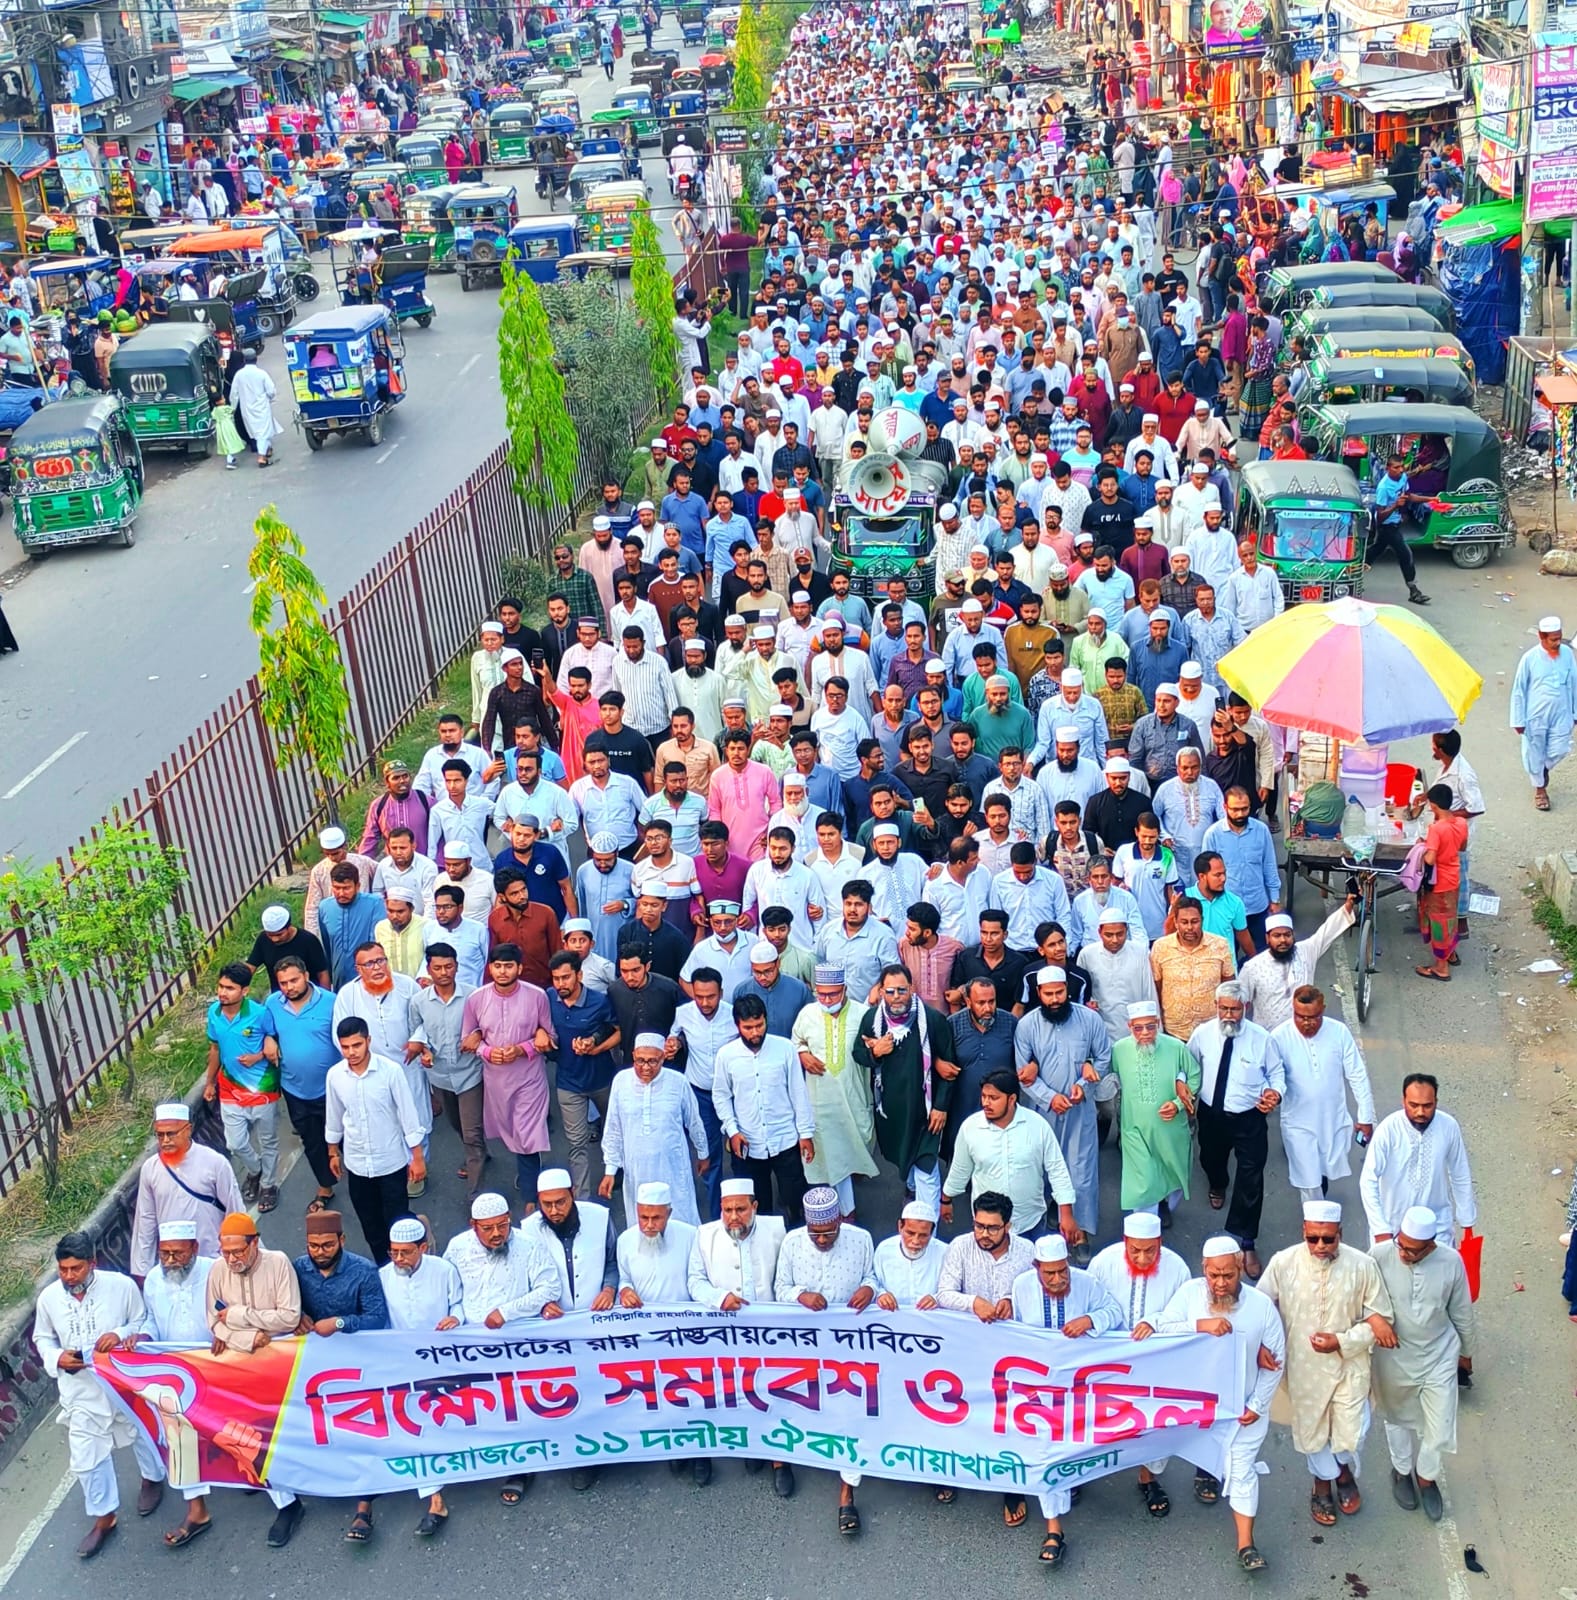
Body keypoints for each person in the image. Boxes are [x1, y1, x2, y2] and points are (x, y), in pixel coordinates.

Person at [1258, 1201, 1396, 1527]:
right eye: (1313, 1239)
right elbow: (1260, 1307)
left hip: (1350, 1365)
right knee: (1312, 1432)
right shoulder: (1283, 1263)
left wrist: (1343, 1342)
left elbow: (1381, 1318)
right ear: (1304, 1233)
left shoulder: (1362, 1266)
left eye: (1328, 1239)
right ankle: (1323, 1484)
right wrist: (1262, 1345)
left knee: (1353, 1429)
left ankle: (1343, 1471)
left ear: (1340, 1234)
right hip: (1303, 1368)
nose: (1320, 1246)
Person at [1155, 1237, 1287, 1572]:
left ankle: (1247, 1545)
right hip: (1195, 1410)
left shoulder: (1261, 1307)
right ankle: (1152, 1482)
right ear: (1204, 1270)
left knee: (1241, 1472)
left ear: (1241, 1267)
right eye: (1214, 1275)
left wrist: (1256, 1406)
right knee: (1158, 1449)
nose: (1220, 1283)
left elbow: (1277, 1361)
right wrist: (1200, 1326)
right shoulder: (1189, 1295)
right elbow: (1162, 1329)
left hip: (1242, 1411)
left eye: (1228, 1275)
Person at [35, 1232, 165, 1560]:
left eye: (76, 1268)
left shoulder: (120, 1286)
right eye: (63, 1269)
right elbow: (42, 1337)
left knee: (141, 1434)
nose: (68, 1276)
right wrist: (57, 1358)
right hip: (80, 1390)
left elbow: (141, 1319)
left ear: (92, 1263)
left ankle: (152, 1479)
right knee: (85, 1458)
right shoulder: (49, 1298)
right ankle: (104, 1517)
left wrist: (119, 1334)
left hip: (121, 1381)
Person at [1009, 1233, 1123, 1568]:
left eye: (1063, 1272)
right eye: (1050, 1274)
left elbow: (1113, 1312)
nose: (1058, 1280)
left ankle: (1071, 1480)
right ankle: (1054, 1531)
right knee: (1047, 1449)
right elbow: (1014, 1332)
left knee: (1074, 1444)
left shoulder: (1087, 1283)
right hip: (1037, 1388)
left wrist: (1090, 1321)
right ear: (1036, 1268)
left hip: (1079, 1384)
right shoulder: (1021, 1287)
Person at [773, 1185, 879, 1526]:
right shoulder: (791, 1243)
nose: (821, 1240)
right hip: (803, 1345)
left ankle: (847, 1493)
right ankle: (783, 1459)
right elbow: (780, 1289)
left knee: (850, 1410)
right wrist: (801, 1295)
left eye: (828, 1233)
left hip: (849, 1347)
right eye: (815, 1234)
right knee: (796, 1404)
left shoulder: (860, 1239)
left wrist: (869, 1289)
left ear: (838, 1221)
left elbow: (873, 1276)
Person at [1370, 1207, 1476, 1521]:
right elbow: (1359, 1297)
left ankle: (1426, 1477)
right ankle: (1401, 1471)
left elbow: (1461, 1310)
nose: (1402, 1253)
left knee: (1441, 1425)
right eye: (1399, 1244)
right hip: (1393, 1355)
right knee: (1396, 1416)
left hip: (1438, 1354)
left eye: (1412, 1250)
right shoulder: (1378, 1255)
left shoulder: (1451, 1261)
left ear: (1430, 1246)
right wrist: (1375, 1320)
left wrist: (1467, 1352)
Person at [205, 1211, 305, 1544]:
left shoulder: (277, 1263)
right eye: (226, 1252)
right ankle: (286, 1501)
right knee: (250, 1429)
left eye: (238, 1252)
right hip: (240, 1360)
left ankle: (291, 1489)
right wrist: (247, 1337)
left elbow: (289, 1317)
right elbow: (213, 1322)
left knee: (281, 1428)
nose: (232, 1259)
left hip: (280, 1360)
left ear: (255, 1243)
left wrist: (238, 1316)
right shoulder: (218, 1270)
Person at [127, 1220, 215, 1546]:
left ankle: (271, 1494)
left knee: (237, 1429)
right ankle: (197, 1511)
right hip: (176, 1373)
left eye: (177, 1252)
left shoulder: (215, 1270)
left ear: (194, 1247)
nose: (170, 1260)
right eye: (164, 1253)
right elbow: (150, 1317)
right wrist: (146, 1335)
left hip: (218, 1367)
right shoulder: (153, 1279)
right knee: (180, 1438)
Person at [1187, 983, 1284, 1277]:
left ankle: (1246, 1240)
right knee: (1211, 1159)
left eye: (1235, 1009)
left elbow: (1276, 1073)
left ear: (1246, 1008)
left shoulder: (1262, 1039)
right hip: (1211, 1113)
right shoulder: (1202, 1034)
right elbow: (1188, 1066)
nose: (1229, 1015)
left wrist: (1274, 1093)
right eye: (1224, 1008)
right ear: (1216, 1006)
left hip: (1249, 1117)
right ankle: (1217, 1182)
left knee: (1251, 1178)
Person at [1014, 964, 1111, 1251]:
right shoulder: (1027, 1025)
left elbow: (1103, 1058)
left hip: (1080, 1111)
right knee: (1039, 1172)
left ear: (1067, 991)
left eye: (1059, 992)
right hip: (1040, 1113)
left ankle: (1079, 1233)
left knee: (1080, 1173)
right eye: (1049, 994)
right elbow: (1023, 1071)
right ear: (1039, 993)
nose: (1055, 999)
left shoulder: (1089, 1020)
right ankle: (1041, 1235)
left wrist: (1084, 1086)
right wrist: (1049, 1097)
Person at [379, 1215, 464, 1536]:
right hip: (405, 1367)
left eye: (406, 1252)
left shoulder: (443, 1270)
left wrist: (455, 1319)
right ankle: (434, 1499)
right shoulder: (384, 1276)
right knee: (413, 1428)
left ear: (423, 1248)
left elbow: (459, 1305)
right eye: (394, 1252)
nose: (398, 1259)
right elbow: (383, 1323)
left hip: (447, 1361)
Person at [324, 1017, 426, 1266]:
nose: (351, 1052)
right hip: (357, 1164)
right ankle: (386, 1268)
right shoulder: (335, 1076)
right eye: (345, 1047)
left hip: (391, 1161)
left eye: (357, 1045)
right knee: (370, 1225)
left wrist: (418, 1157)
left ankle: (413, 1258)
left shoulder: (390, 1071)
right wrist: (333, 1152)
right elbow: (334, 1115)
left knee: (397, 1222)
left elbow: (408, 1115)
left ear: (368, 1041)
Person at [853, 964, 955, 1210]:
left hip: (926, 1111)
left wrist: (941, 1106)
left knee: (926, 1167)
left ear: (912, 988)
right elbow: (858, 1053)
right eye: (890, 991)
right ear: (880, 991)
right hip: (892, 1111)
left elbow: (950, 1068)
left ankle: (928, 1224)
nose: (896, 997)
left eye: (902, 990)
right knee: (903, 1158)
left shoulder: (932, 1020)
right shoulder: (872, 1020)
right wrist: (875, 1051)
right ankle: (910, 1188)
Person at [942, 1066, 1079, 1243]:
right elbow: (960, 1170)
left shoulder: (1037, 1125)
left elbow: (1057, 1170)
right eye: (984, 1097)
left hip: (1031, 1224)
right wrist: (946, 1200)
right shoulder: (970, 1128)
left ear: (1012, 1099)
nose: (986, 1103)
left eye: (993, 1098)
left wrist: (1066, 1215)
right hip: (988, 1227)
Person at [462, 945, 555, 1200]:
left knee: (527, 1135)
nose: (503, 971)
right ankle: (531, 1173)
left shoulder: (537, 996)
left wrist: (522, 1049)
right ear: (490, 968)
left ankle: (530, 1198)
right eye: (498, 966)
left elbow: (550, 1036)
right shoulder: (476, 999)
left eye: (509, 966)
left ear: (520, 968)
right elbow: (467, 1039)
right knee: (513, 1134)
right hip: (496, 1080)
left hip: (529, 1078)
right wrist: (489, 1052)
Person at [714, 994, 815, 1223]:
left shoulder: (785, 1048)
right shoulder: (726, 1055)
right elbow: (721, 1096)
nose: (755, 1032)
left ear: (766, 1020)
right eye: (748, 1027)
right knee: (758, 1209)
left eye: (759, 1025)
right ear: (737, 1025)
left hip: (785, 1140)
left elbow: (798, 1092)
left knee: (796, 1201)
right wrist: (733, 1131)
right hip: (747, 1144)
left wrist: (806, 1134)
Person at [1270, 986, 1376, 1203]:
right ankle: (1316, 1224)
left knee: (1323, 1172)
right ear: (1293, 1010)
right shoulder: (1278, 1037)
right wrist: (1272, 1094)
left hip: (1333, 1120)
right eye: (1300, 1017)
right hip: (1297, 1124)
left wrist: (1365, 1117)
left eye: (1313, 1017)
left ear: (1323, 1010)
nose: (1307, 1023)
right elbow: (1273, 1076)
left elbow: (1357, 1075)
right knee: (1309, 1182)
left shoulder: (1339, 1032)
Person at [791, 965, 879, 1218]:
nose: (827, 1000)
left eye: (833, 994)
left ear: (845, 990)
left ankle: (834, 1211)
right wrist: (803, 1054)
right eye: (822, 994)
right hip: (819, 1100)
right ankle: (841, 1212)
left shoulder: (864, 1015)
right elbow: (795, 1042)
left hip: (853, 1099)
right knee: (828, 1155)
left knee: (848, 1150)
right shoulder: (807, 1014)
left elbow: (873, 1050)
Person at [599, 1032, 709, 1226]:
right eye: (640, 1061)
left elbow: (694, 1121)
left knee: (679, 1221)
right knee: (644, 1222)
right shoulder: (621, 1082)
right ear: (633, 1055)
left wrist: (703, 1153)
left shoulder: (678, 1082)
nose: (646, 1068)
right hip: (636, 1169)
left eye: (652, 1062)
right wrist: (610, 1170)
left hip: (673, 1167)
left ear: (663, 1058)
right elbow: (614, 1128)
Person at [1109, 1000, 1200, 1225]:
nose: (1145, 1033)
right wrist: (1089, 1064)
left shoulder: (1176, 1047)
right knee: (1143, 1180)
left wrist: (1179, 1103)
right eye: (1138, 1028)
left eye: (1151, 1026)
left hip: (1170, 1130)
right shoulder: (1119, 1049)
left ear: (1158, 1023)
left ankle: (1164, 1204)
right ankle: (1143, 1230)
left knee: (1175, 1173)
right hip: (1135, 1130)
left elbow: (1195, 1075)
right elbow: (1102, 1067)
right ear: (1129, 1026)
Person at [1359, 1074, 1477, 1246]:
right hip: (1393, 1230)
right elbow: (1368, 1180)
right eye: (1413, 1105)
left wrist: (1467, 1223)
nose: (1420, 1112)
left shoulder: (1448, 1126)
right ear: (1403, 1101)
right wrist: (1380, 1229)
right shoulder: (1388, 1129)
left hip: (1438, 1230)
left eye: (1427, 1106)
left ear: (1436, 1101)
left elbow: (1460, 1173)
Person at [130, 1101, 244, 1276]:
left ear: (188, 1129)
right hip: (172, 1263)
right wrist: (141, 1270)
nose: (165, 1140)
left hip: (214, 1260)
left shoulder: (214, 1163)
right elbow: (146, 1221)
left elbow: (234, 1211)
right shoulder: (150, 1168)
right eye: (160, 1135)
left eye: (171, 1134)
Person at [202, 962, 281, 1213]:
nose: (223, 993)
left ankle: (268, 1184)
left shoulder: (259, 1014)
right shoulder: (214, 1013)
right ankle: (256, 1170)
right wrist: (210, 1082)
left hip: (262, 1088)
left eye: (230, 988)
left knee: (267, 1140)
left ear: (244, 991)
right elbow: (214, 1049)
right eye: (221, 986)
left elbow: (274, 1041)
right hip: (230, 1088)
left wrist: (258, 1056)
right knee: (235, 1143)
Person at [1236, 904, 1355, 1031]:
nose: (1283, 940)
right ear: (1267, 938)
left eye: (1287, 935)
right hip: (1268, 1038)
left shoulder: (1305, 952)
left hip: (1302, 1033)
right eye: (1277, 936)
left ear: (1293, 936)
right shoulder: (1252, 967)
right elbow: (1238, 1002)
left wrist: (1348, 906)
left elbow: (1327, 932)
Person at [1511, 616, 1577, 812]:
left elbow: (1574, 683)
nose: (1557, 643)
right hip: (1536, 715)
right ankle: (1540, 790)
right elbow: (1518, 690)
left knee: (1561, 749)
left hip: (1562, 712)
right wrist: (1518, 719)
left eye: (1559, 638)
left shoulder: (1567, 654)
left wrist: (1575, 712)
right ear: (1541, 636)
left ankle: (1542, 769)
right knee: (1534, 751)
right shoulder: (1529, 659)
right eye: (1553, 639)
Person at [872, 1200, 946, 1310]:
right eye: (910, 1233)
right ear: (900, 1226)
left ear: (931, 1233)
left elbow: (952, 1288)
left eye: (923, 1236)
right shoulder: (884, 1250)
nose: (916, 1241)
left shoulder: (944, 1252)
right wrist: (881, 1295)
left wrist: (937, 1299)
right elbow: (873, 1280)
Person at [228, 349, 278, 467]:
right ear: (256, 359)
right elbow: (271, 391)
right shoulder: (261, 373)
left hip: (247, 409)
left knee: (259, 431)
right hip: (261, 407)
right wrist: (269, 398)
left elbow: (233, 394)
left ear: (244, 360)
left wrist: (233, 408)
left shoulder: (239, 374)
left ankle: (268, 449)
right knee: (262, 432)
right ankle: (261, 457)